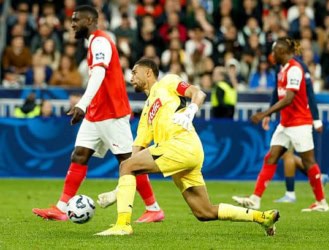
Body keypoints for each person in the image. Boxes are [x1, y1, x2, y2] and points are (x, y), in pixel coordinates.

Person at [94, 58, 279, 237]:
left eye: (134, 72)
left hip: (181, 144)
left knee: (127, 166)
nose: (131, 77)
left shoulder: (168, 81)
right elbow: (133, 161)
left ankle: (123, 225)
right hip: (182, 153)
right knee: (204, 212)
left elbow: (198, 93)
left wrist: (191, 110)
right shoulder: (146, 112)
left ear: (148, 72)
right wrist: (118, 192)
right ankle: (262, 217)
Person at [32, 5, 164, 223]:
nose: (72, 23)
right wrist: (88, 107)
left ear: (90, 21)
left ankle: (154, 208)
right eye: (71, 20)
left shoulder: (100, 41)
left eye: (77, 20)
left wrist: (82, 104)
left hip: (112, 112)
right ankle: (62, 208)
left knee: (128, 161)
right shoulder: (93, 43)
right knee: (79, 155)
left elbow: (100, 73)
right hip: (96, 113)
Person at [233, 37, 329, 212]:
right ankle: (255, 199)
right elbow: (278, 95)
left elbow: (289, 99)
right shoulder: (282, 70)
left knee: (308, 162)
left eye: (274, 51)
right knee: (271, 157)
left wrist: (265, 113)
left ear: (284, 52)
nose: (272, 55)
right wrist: (269, 115)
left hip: (300, 123)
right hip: (285, 123)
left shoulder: (295, 70)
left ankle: (322, 202)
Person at [263, 55, 329, 203]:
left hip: (298, 118)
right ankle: (316, 177)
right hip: (286, 117)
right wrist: (270, 112)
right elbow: (277, 89)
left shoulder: (298, 66)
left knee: (289, 155)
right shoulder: (279, 66)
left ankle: (291, 193)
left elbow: (309, 91)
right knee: (289, 156)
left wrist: (316, 118)